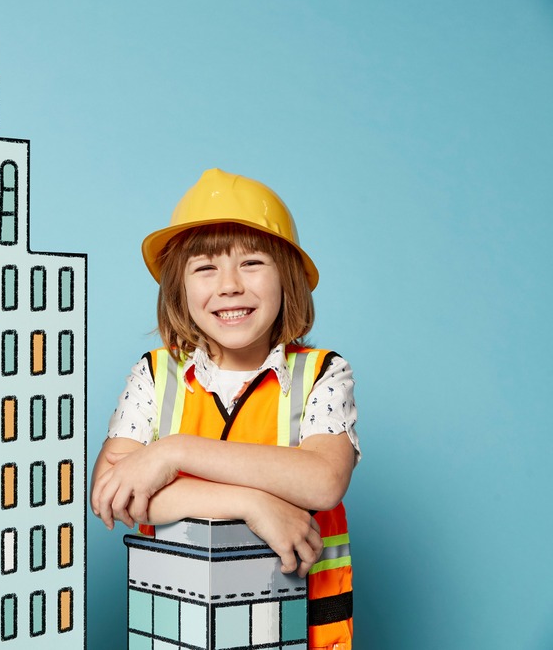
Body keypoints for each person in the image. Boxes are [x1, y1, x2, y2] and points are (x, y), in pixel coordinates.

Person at [90, 168, 360, 649]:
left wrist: (171, 454)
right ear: (179, 289)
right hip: (184, 631)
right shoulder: (155, 375)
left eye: (252, 262)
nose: (230, 285)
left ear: (289, 278)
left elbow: (323, 481)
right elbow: (114, 491)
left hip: (301, 633)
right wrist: (251, 504)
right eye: (205, 267)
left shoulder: (322, 373)